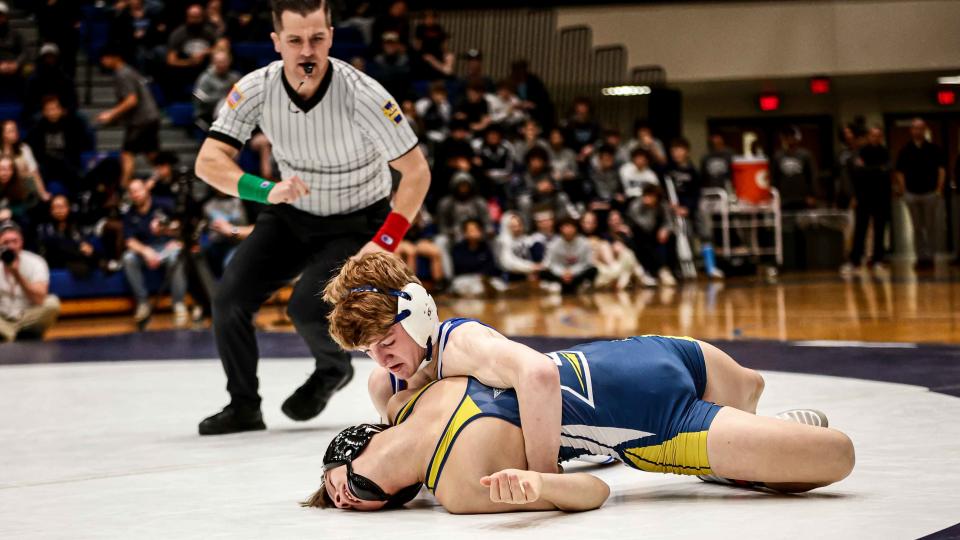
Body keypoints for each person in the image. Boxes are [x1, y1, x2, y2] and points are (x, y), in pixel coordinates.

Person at [193, 0, 430, 436]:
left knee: (307, 307)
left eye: (318, 38)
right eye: (296, 40)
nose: (308, 51)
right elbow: (208, 161)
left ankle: (332, 369)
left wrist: (387, 240)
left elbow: (416, 171)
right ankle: (243, 405)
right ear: (276, 42)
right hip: (291, 213)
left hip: (357, 220)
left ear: (332, 37)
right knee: (229, 300)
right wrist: (265, 190)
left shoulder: (364, 93)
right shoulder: (256, 89)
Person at [304, 331, 854, 513]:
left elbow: (537, 371)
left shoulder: (411, 386)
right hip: (660, 424)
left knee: (750, 385)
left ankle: (752, 456)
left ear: (357, 443)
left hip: (654, 352)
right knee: (833, 454)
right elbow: (593, 489)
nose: (349, 496)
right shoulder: (461, 489)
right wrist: (544, 481)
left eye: (344, 482)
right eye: (357, 496)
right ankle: (745, 465)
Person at [321, 251, 566, 474]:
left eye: (387, 343)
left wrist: (542, 478)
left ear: (419, 314)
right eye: (367, 351)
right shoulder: (384, 385)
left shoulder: (462, 345)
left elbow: (540, 372)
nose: (382, 360)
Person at [121, 179, 188, 325]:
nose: (136, 194)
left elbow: (180, 227)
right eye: (132, 192)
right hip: (145, 250)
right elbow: (129, 241)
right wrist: (146, 251)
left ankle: (178, 304)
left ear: (146, 190)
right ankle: (143, 303)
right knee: (128, 258)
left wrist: (165, 229)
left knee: (176, 256)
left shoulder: (164, 205)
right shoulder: (129, 214)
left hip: (166, 247)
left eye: (138, 190)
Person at [98, 45, 162, 187]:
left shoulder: (122, 73)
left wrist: (111, 114)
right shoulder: (129, 71)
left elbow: (131, 100)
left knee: (127, 154)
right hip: (149, 118)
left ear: (114, 57)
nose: (103, 61)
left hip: (141, 121)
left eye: (105, 58)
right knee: (152, 155)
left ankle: (124, 189)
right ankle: (166, 177)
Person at [895, 118, 945, 269]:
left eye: (921, 128)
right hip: (912, 194)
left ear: (925, 130)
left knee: (930, 227)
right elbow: (899, 172)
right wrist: (903, 190)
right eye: (915, 128)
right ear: (911, 131)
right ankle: (920, 257)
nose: (918, 131)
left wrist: (939, 189)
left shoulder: (934, 149)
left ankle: (930, 257)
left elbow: (941, 170)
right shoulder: (905, 151)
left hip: (930, 193)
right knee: (916, 228)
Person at [842, 127, 892, 276]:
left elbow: (887, 170)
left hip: (881, 197)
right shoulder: (861, 152)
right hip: (863, 197)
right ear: (869, 136)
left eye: (878, 135)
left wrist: (869, 169)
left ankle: (877, 260)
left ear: (881, 137)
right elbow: (858, 172)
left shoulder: (885, 152)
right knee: (860, 229)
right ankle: (855, 260)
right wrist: (877, 170)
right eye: (872, 135)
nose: (875, 138)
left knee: (879, 229)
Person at [0, 220, 61, 342]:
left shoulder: (36, 262)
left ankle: (9, 334)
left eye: (14, 241)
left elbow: (39, 299)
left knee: (52, 304)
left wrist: (17, 274)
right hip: (2, 318)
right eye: (6, 242)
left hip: (27, 316)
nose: (11, 246)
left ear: (21, 242)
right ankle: (15, 334)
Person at [26, 95, 92, 193]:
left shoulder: (71, 125)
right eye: (48, 109)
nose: (52, 112)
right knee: (37, 175)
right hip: (46, 164)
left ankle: (77, 201)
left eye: (54, 109)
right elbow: (34, 150)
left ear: (61, 110)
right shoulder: (38, 128)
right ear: (44, 112)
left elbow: (80, 146)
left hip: (66, 162)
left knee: (74, 174)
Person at [36, 194, 99, 278]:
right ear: (51, 210)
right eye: (55, 207)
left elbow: (81, 241)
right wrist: (78, 247)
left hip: (73, 259)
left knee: (89, 250)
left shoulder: (75, 226)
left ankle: (100, 262)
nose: (59, 210)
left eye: (61, 207)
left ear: (68, 208)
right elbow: (51, 245)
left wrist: (86, 248)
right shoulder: (44, 227)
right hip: (52, 260)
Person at [540, 216, 597, 294]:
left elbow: (587, 263)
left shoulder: (585, 243)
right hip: (560, 275)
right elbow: (551, 264)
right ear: (560, 228)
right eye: (565, 226)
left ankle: (579, 285)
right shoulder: (553, 244)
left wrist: (572, 272)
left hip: (577, 275)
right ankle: (561, 285)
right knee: (543, 273)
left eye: (571, 226)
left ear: (576, 228)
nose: (568, 229)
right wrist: (562, 273)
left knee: (593, 270)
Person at [193, 49, 241, 130]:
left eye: (224, 61)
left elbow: (241, 96)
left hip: (231, 111)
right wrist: (222, 98)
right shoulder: (205, 78)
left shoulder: (235, 77)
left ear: (230, 61)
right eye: (218, 62)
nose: (221, 64)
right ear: (213, 62)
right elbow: (200, 98)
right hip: (207, 112)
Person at [771, 126, 817, 211]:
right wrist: (774, 197)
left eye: (791, 136)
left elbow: (812, 176)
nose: (789, 139)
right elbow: (774, 178)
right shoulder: (778, 156)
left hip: (803, 198)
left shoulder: (805, 155)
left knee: (803, 222)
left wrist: (812, 195)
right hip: (784, 199)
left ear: (796, 138)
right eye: (786, 136)